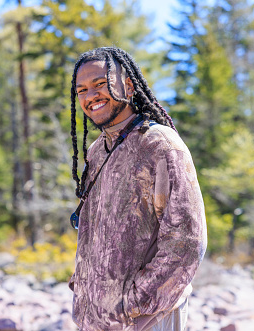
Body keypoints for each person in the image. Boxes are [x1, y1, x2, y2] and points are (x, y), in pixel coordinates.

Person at [68, 47, 207, 331]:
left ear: (129, 86)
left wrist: (133, 306)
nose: (90, 95)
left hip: (146, 321)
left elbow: (187, 242)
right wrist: (84, 291)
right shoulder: (97, 152)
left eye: (100, 84)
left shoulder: (159, 145)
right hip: (96, 321)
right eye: (81, 90)